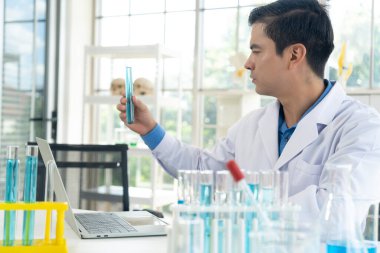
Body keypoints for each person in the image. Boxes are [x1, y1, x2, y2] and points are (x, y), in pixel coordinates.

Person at [117, 0, 380, 223]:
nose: (248, 63)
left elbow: (332, 214)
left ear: (294, 55)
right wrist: (150, 130)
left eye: (256, 50)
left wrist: (239, 210)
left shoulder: (362, 129)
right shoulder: (254, 124)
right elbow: (203, 170)